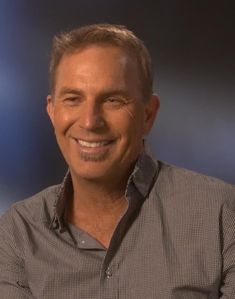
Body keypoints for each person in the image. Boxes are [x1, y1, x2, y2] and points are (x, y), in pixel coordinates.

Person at [0, 23, 234, 299]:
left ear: (148, 114)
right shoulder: (18, 231)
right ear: (52, 111)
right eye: (73, 99)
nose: (90, 121)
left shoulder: (220, 213)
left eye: (113, 100)